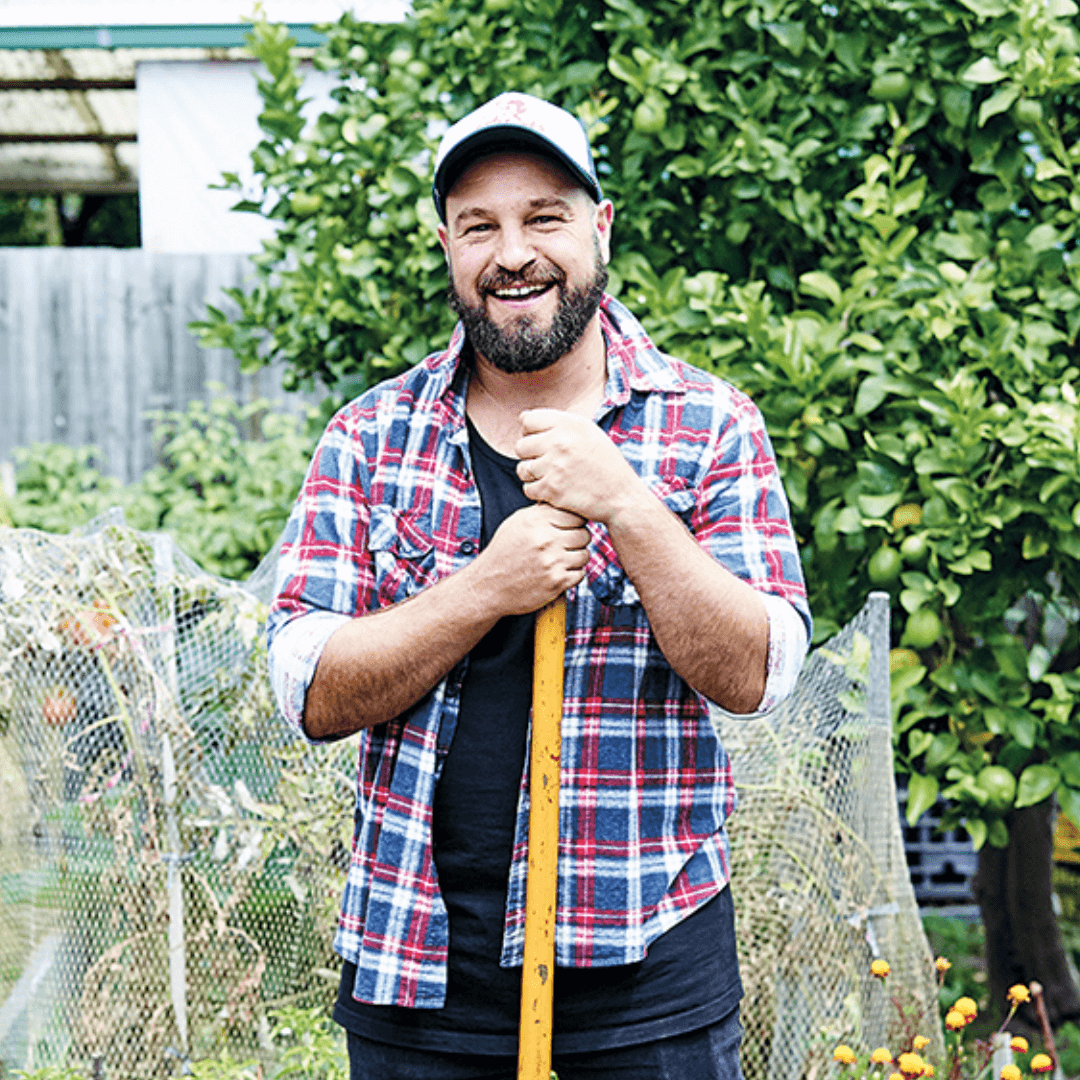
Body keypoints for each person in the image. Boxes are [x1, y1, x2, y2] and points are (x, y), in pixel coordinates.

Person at [267, 92, 811, 1080]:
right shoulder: (371, 437)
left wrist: (629, 508)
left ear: (599, 228)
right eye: (480, 226)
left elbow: (760, 676)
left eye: (544, 218)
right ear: (447, 246)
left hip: (647, 979)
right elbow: (310, 689)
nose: (512, 252)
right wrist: (486, 588)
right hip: (419, 978)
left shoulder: (710, 427)